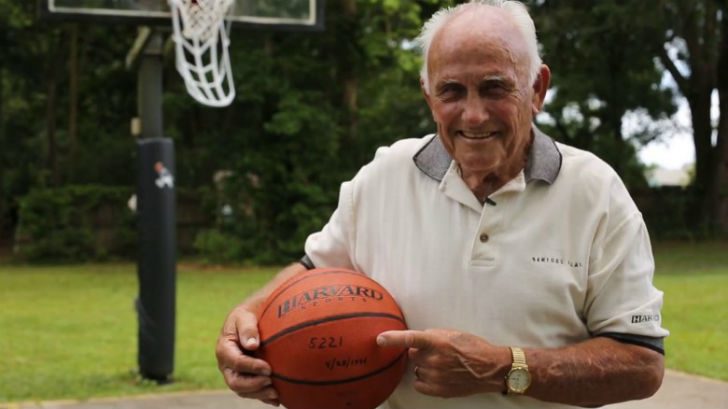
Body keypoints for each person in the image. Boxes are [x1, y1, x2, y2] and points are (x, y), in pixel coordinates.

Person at [215, 0, 669, 408]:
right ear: (428, 96)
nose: (473, 114)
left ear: (537, 89)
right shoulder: (384, 177)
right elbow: (311, 272)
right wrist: (247, 321)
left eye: (494, 88)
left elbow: (641, 363)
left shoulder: (596, 194)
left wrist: (502, 368)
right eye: (451, 91)